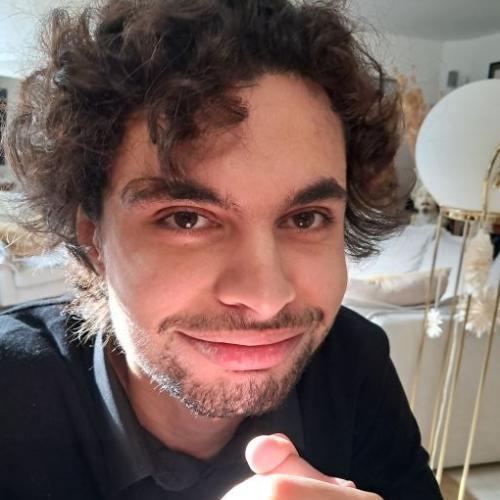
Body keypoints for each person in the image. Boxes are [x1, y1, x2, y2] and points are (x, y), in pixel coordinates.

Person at [0, 0, 443, 499]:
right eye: (186, 219)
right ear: (93, 238)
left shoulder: (354, 363)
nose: (266, 297)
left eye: (305, 218)